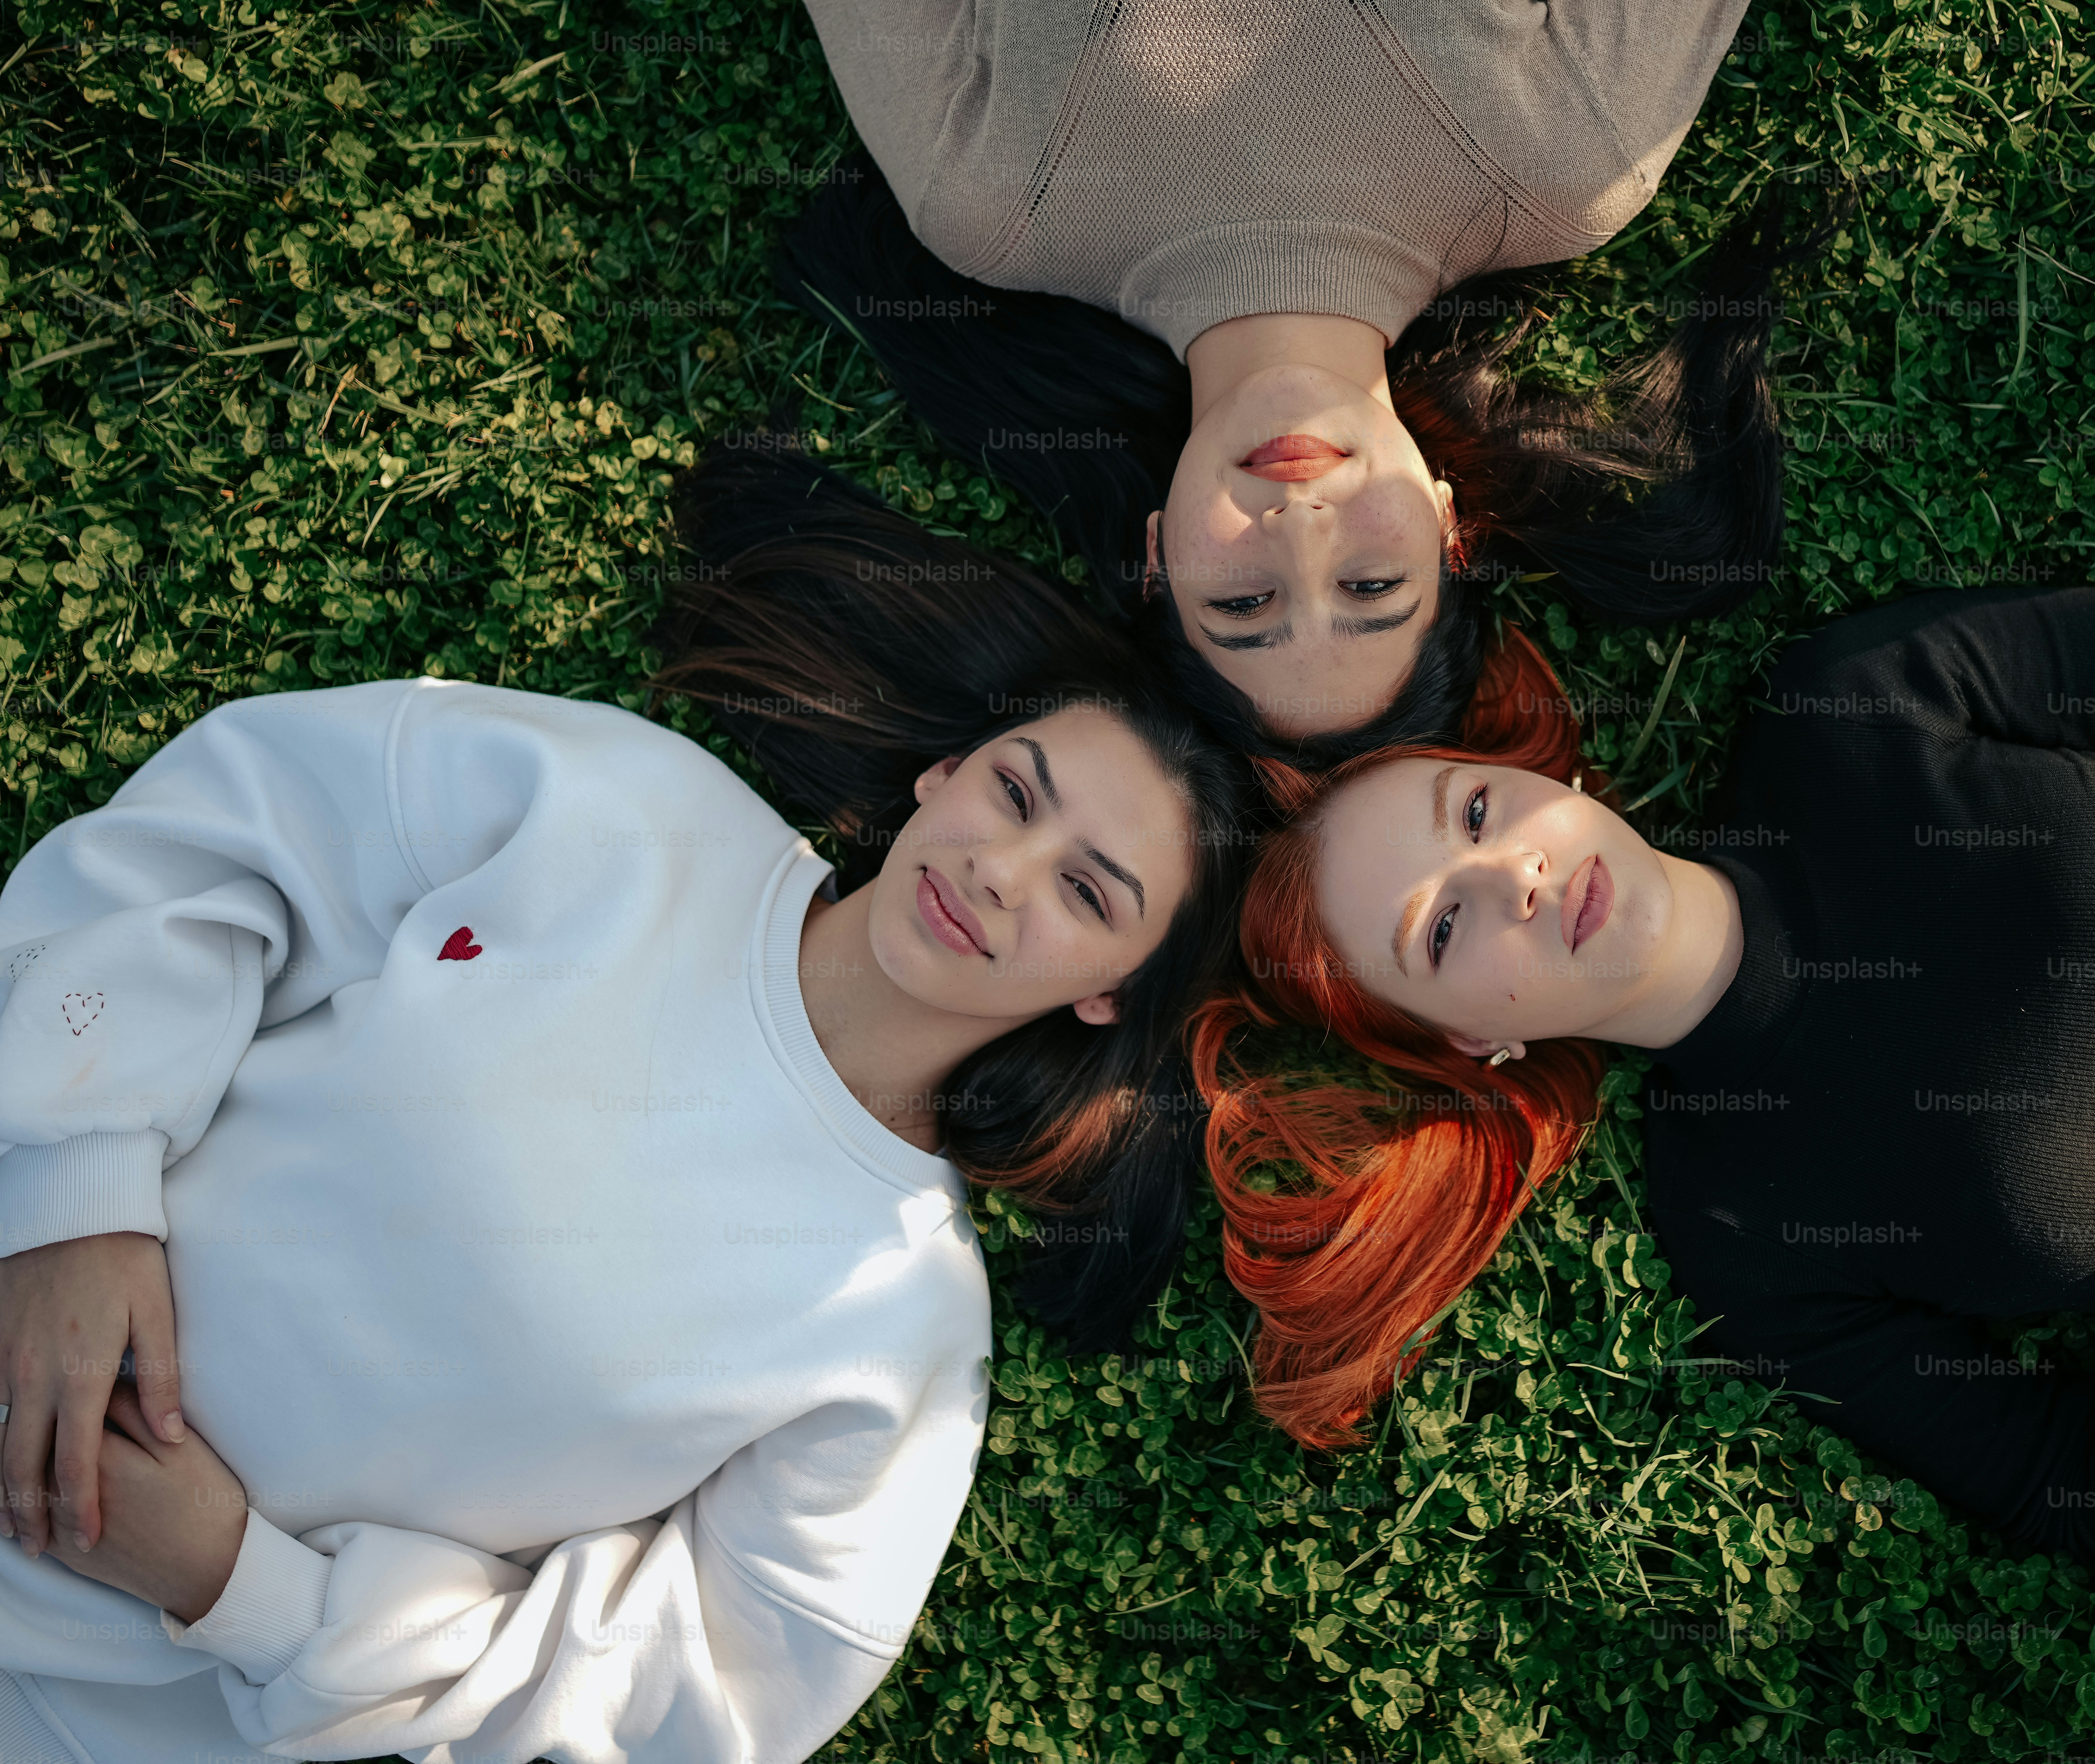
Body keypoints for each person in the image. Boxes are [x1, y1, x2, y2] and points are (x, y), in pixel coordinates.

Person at [0, 459, 1252, 1763]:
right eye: (1016, 791)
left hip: (90, 1722)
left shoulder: (901, 1338)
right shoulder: (621, 811)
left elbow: (699, 1696)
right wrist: (74, 1198)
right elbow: (233, 834)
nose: (1001, 872)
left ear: (1111, 995)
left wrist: (241, 1588)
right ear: (944, 775)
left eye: (1088, 894)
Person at [1192, 585, 2095, 1573]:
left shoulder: (1847, 714)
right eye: (1442, 930)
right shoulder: (1741, 1236)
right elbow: (2088, 1501)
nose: (1512, 874)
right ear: (1471, 1046)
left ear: (1545, 781)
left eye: (1477, 811)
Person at [776, 0, 1806, 762]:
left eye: (1243, 600)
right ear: (1452, 532)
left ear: (1154, 559)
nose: (1300, 525)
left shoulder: (995, 209)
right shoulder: (1562, 170)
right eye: (1371, 587)